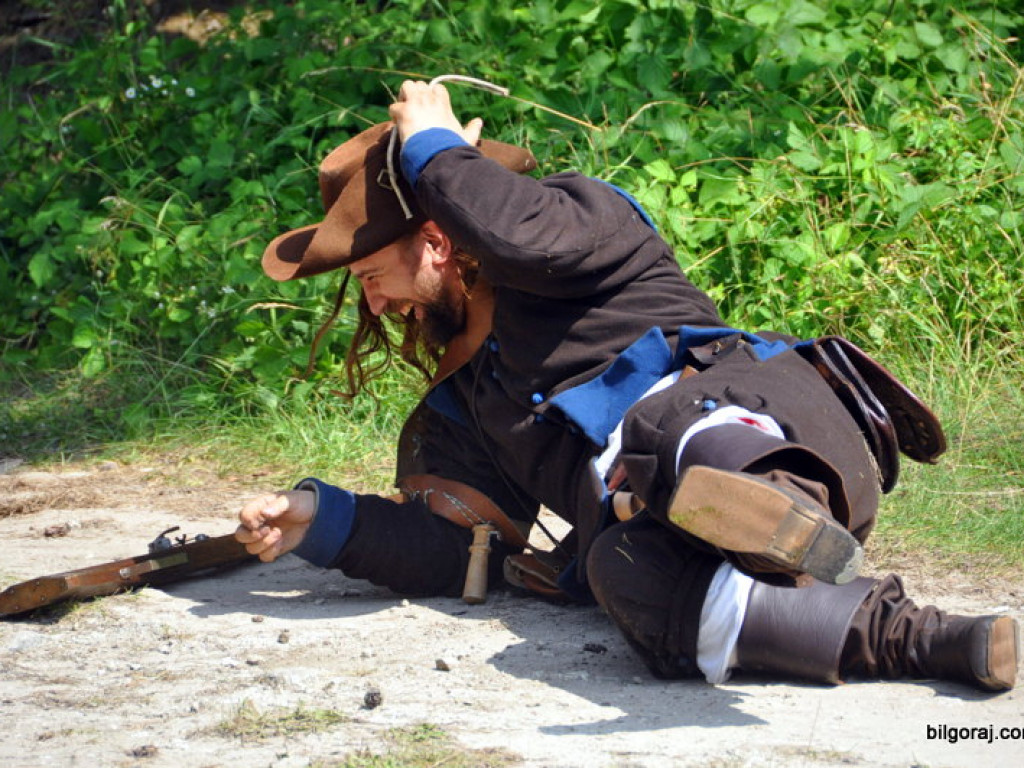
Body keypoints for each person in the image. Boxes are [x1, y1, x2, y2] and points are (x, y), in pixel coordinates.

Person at [235, 80, 1018, 692]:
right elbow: (454, 548)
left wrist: (432, 149)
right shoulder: (465, 402)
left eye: (374, 275)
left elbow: (513, 231)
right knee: (627, 577)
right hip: (648, 519)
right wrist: (322, 520)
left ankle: (765, 502)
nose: (374, 304)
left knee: (670, 434)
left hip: (775, 422)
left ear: (437, 241)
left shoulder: (577, 216)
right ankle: (933, 639)